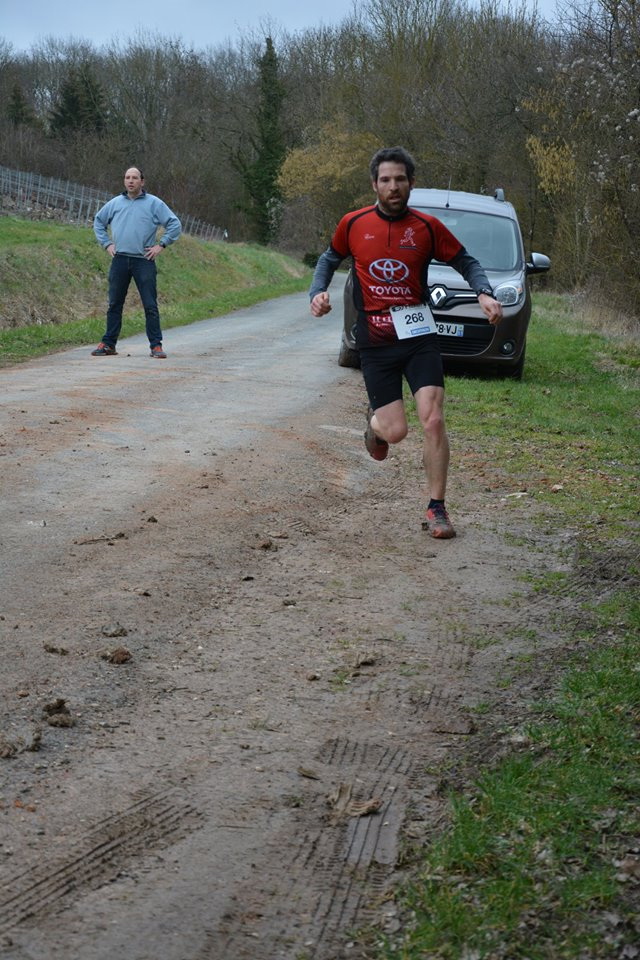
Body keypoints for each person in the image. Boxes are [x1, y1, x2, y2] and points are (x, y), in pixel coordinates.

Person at [309, 146, 503, 539]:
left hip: (418, 334)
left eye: (400, 179)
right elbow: (329, 258)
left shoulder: (427, 227)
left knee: (432, 418)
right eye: (385, 180)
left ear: (411, 183)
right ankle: (376, 424)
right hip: (376, 339)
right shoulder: (354, 223)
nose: (393, 187)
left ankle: (437, 508)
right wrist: (318, 292)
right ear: (374, 185)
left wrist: (483, 291)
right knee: (396, 432)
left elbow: (466, 261)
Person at [91, 167, 182, 359]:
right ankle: (108, 344)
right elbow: (99, 222)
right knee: (115, 303)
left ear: (142, 181)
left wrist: (161, 245)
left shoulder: (154, 203)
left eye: (134, 178)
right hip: (120, 260)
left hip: (144, 260)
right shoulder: (115, 203)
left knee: (150, 304)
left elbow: (174, 224)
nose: (130, 181)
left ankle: (156, 346)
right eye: (127, 178)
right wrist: (107, 243)